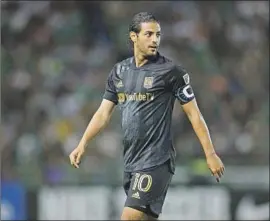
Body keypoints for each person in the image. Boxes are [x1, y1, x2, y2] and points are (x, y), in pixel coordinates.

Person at [69, 12, 225, 220]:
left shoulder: (171, 72)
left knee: (128, 218)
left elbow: (194, 114)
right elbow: (103, 113)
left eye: (158, 35)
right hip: (131, 161)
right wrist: (83, 143)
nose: (155, 40)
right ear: (133, 36)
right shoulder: (119, 72)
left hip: (156, 161)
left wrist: (210, 153)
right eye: (149, 34)